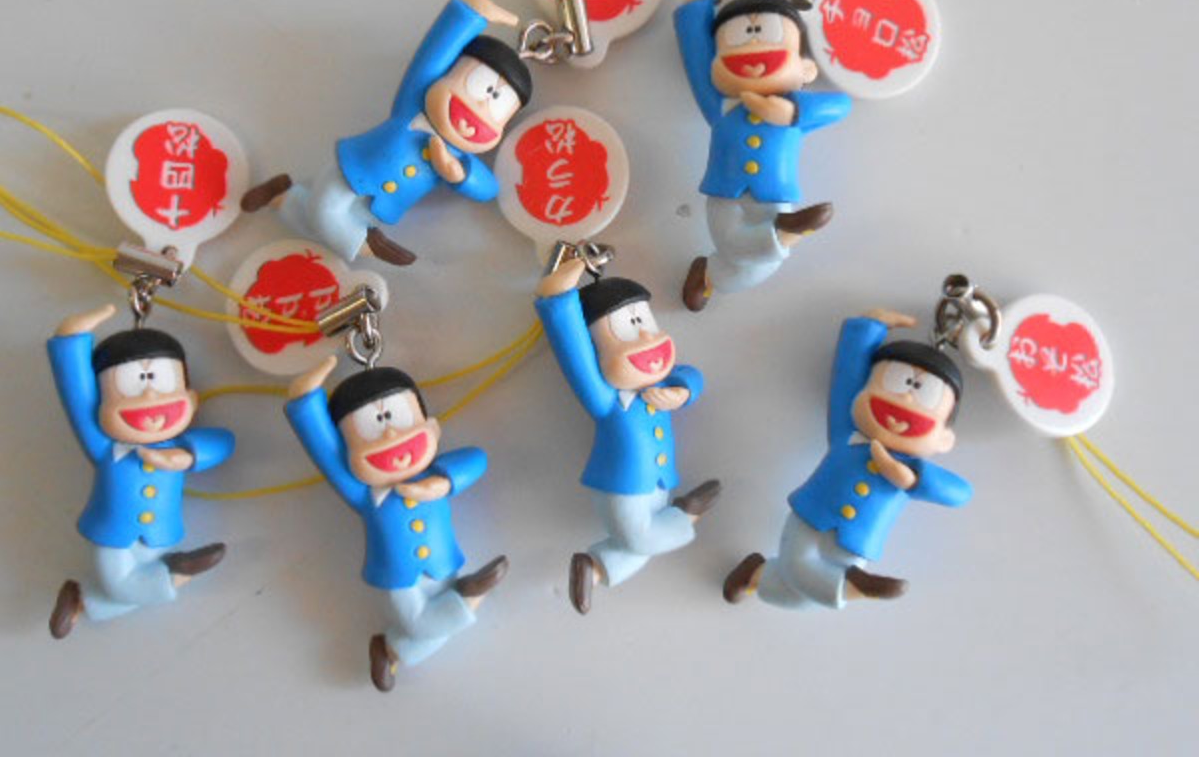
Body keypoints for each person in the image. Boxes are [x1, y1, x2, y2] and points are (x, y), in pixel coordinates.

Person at [242, 0, 531, 265]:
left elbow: (489, 188)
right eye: (480, 88)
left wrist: (458, 173)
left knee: (318, 226)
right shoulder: (415, 103)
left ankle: (282, 196)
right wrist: (472, 12)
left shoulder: (458, 157)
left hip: (382, 205)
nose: (477, 110)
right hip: (354, 170)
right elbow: (434, 52)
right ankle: (365, 243)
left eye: (498, 107)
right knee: (325, 210)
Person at [723, 309, 971, 610]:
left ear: (945, 439)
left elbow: (961, 493)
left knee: (801, 599)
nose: (906, 398)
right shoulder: (847, 432)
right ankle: (856, 588)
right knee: (799, 567)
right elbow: (848, 373)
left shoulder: (910, 469)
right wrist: (869, 327)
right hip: (812, 515)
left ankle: (756, 574)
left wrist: (912, 478)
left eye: (924, 395)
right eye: (897, 382)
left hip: (858, 538)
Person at [284, 356, 506, 691]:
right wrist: (305, 400)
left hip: (442, 563)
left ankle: (392, 649)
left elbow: (475, 458)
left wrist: (443, 482)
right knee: (418, 625)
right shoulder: (363, 493)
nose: (389, 432)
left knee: (423, 629)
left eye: (398, 419)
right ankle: (468, 596)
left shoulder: (433, 473)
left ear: (431, 427)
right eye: (372, 428)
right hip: (397, 576)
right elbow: (326, 453)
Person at [535, 259, 721, 614]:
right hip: (623, 483)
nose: (646, 336)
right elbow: (574, 356)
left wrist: (683, 390)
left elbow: (691, 374)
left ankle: (595, 569)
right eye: (630, 327)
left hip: (661, 481)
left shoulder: (661, 384)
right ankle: (687, 514)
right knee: (641, 538)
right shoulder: (605, 398)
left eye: (644, 321)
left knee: (639, 546)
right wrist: (558, 299)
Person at [46, 304, 235, 638]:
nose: (149, 394)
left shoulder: (178, 445)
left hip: (159, 532)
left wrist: (186, 456)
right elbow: (77, 399)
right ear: (103, 406)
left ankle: (83, 601)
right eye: (131, 387)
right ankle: (176, 572)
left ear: (191, 399)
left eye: (162, 384)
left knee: (121, 590)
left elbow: (223, 441)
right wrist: (71, 339)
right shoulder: (104, 447)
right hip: (113, 533)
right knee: (120, 585)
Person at [674, 0, 851, 310]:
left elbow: (841, 104)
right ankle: (785, 234)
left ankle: (710, 274)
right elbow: (695, 54)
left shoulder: (794, 112)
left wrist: (792, 111)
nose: (753, 51)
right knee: (736, 246)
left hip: (774, 194)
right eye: (737, 41)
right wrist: (699, 5)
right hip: (725, 191)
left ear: (807, 69)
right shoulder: (720, 105)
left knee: (749, 261)